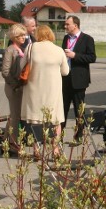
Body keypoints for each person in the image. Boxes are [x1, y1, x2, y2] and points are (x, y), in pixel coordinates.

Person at [22, 25, 69, 158]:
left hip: (33, 90)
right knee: (55, 120)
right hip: (53, 90)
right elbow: (65, 72)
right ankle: (55, 150)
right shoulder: (58, 50)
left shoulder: (31, 48)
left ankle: (36, 150)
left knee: (35, 120)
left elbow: (22, 66)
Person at [61, 15, 96, 141]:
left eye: (67, 24)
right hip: (65, 78)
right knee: (63, 108)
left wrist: (75, 55)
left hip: (79, 80)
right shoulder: (66, 38)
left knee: (78, 109)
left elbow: (92, 57)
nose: (65, 26)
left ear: (75, 25)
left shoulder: (87, 39)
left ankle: (79, 136)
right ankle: (60, 136)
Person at [0, 23, 28, 156]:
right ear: (14, 36)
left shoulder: (20, 48)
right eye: (21, 35)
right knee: (15, 117)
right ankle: (13, 145)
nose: (24, 37)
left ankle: (5, 142)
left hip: (18, 87)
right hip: (13, 88)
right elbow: (5, 71)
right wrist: (14, 85)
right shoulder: (10, 49)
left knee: (13, 116)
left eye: (24, 35)